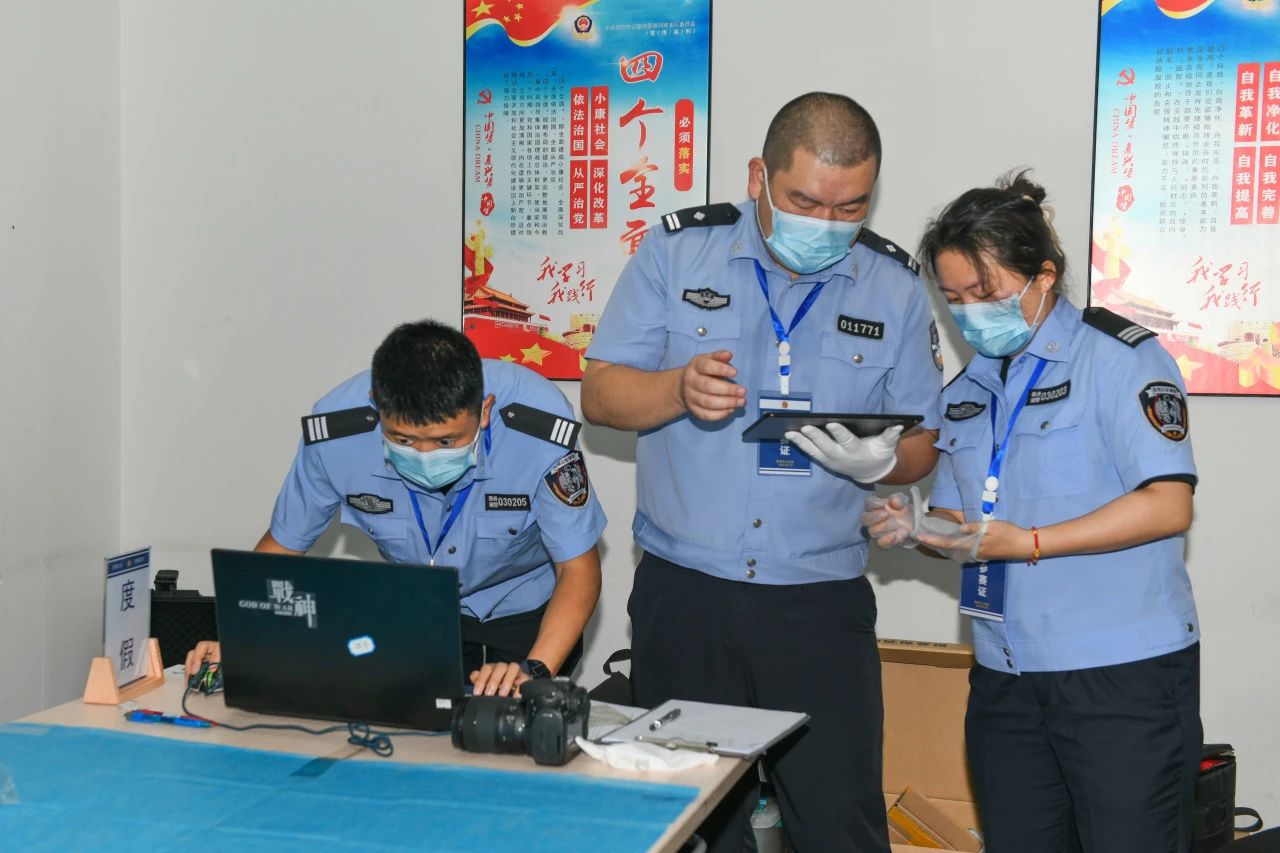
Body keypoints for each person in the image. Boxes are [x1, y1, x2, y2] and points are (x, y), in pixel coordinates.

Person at [581, 92, 943, 852]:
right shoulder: (678, 252)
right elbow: (602, 394)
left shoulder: (894, 285)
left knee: (839, 824)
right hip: (688, 594)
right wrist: (677, 388)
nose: (827, 223)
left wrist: (885, 458)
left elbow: (923, 445)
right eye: (805, 202)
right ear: (759, 178)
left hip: (818, 603)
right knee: (696, 826)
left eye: (850, 208)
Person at [864, 172, 1202, 852]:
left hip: (1120, 675)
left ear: (1043, 277)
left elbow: (1168, 505)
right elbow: (963, 525)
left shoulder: (1120, 360)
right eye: (954, 299)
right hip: (1006, 677)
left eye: (985, 293)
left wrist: (1032, 542)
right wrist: (915, 526)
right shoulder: (967, 390)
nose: (969, 313)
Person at [186, 320, 606, 698]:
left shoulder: (537, 430)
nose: (424, 454)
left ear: (484, 410)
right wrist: (238, 639)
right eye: (403, 440)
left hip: (528, 610)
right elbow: (283, 546)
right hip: (419, 607)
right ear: (376, 405)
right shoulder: (337, 437)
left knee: (515, 734)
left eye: (446, 441)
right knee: (415, 732)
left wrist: (534, 670)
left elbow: (577, 568)